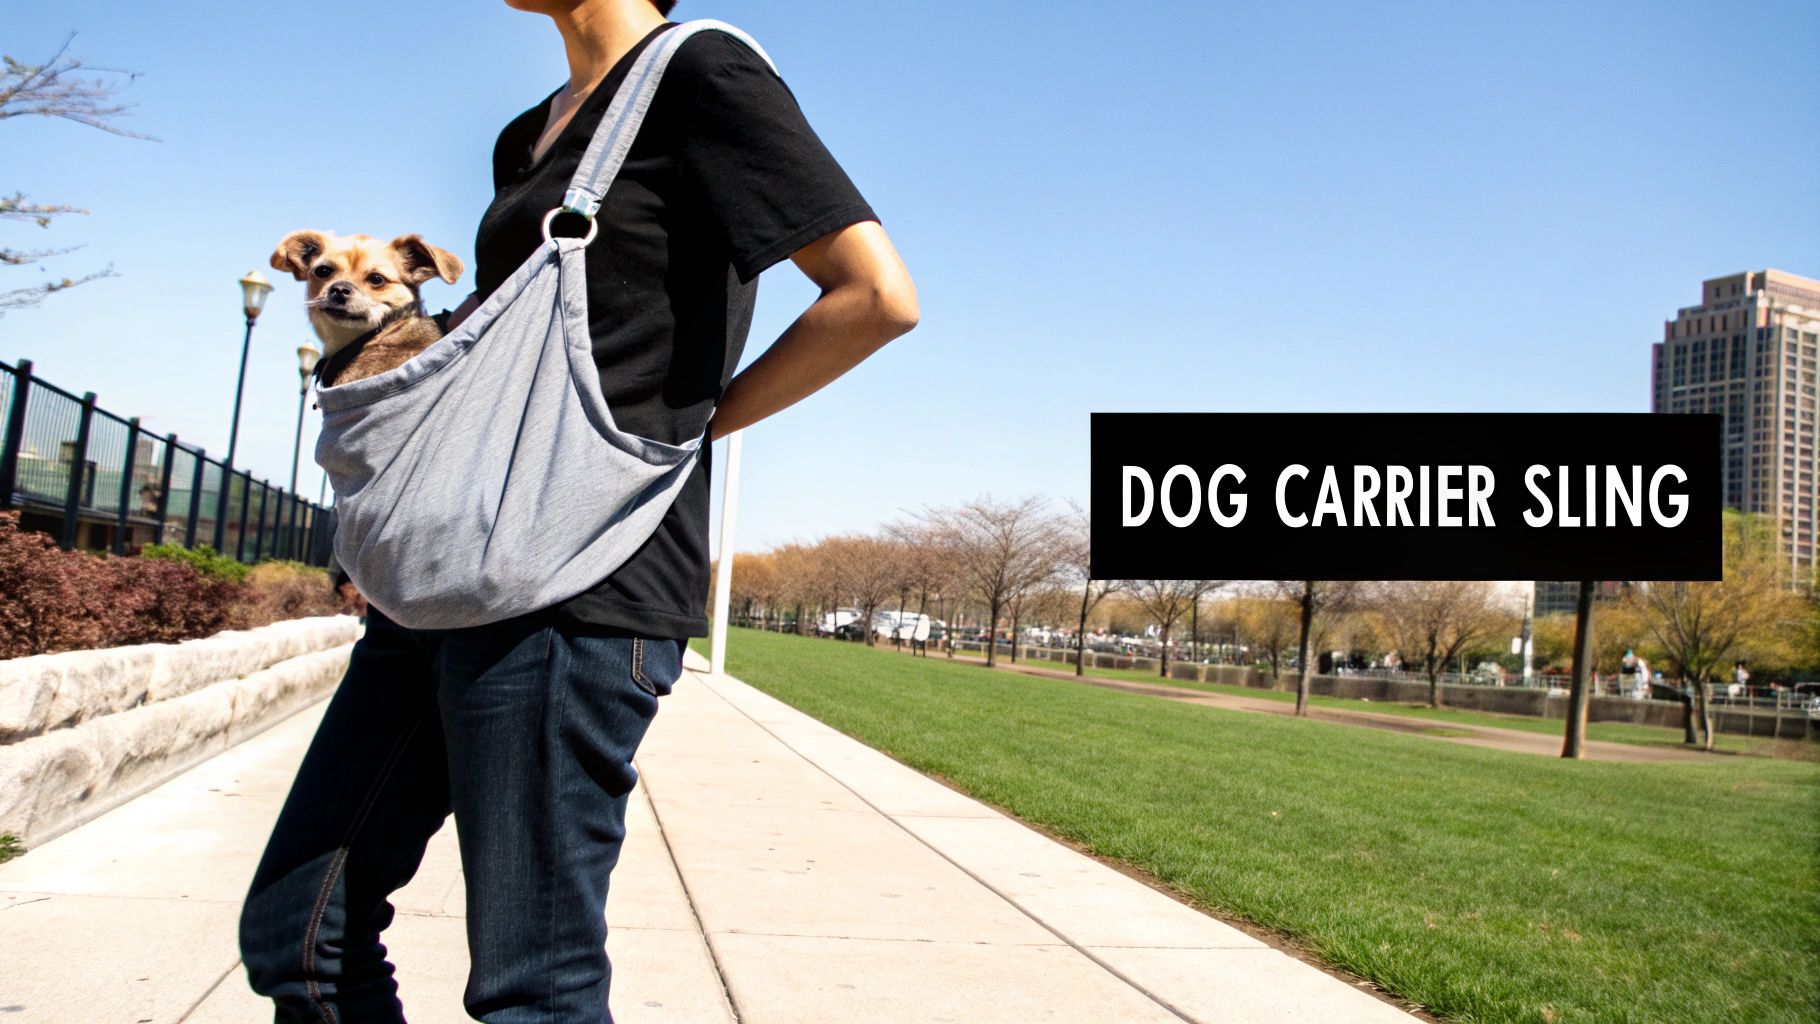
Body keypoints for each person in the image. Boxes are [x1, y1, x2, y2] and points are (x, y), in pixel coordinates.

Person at [237, 2, 917, 1021]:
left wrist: (685, 433)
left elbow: (876, 296)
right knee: (300, 932)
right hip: (449, 574)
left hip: (581, 588)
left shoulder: (702, 72)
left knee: (532, 986)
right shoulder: (529, 132)